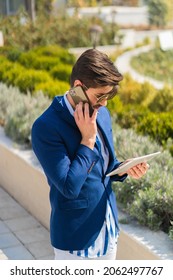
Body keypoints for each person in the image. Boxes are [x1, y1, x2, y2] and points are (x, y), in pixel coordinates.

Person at [31, 48, 149, 260]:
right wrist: (87, 140)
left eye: (110, 95)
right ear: (78, 87)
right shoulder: (45, 127)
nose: (104, 103)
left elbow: (105, 167)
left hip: (108, 229)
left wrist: (125, 168)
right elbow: (69, 186)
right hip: (76, 242)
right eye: (100, 95)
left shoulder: (102, 114)